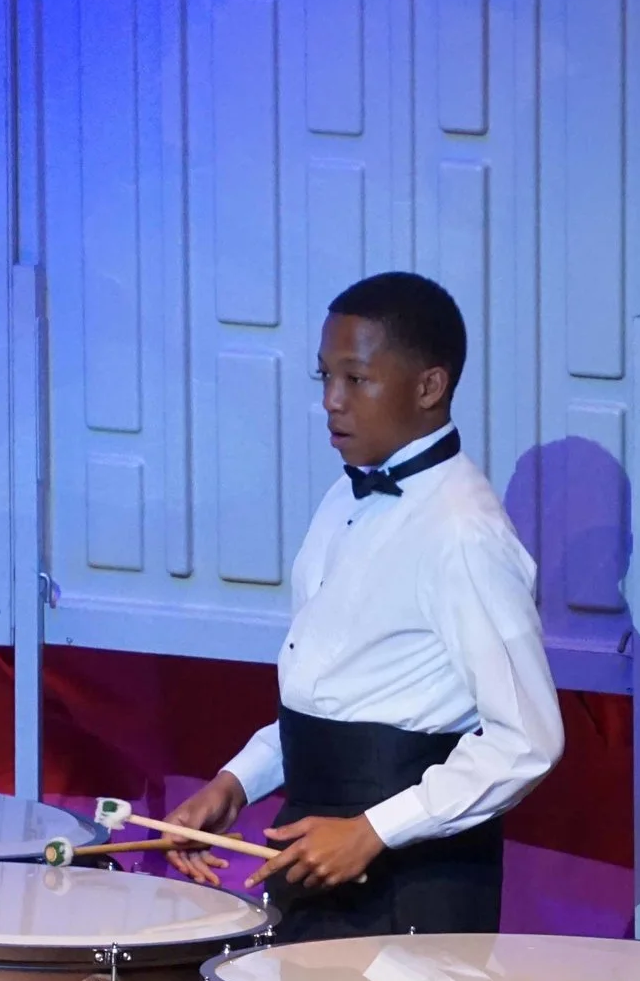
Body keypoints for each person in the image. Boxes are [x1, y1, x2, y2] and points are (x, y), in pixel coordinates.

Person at [163, 272, 561, 941]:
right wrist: (234, 784)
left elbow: (528, 739)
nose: (331, 401)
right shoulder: (342, 497)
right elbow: (338, 696)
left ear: (428, 387)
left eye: (355, 379)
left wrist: (373, 830)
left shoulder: (463, 531)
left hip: (414, 878)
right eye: (325, 377)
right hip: (313, 850)